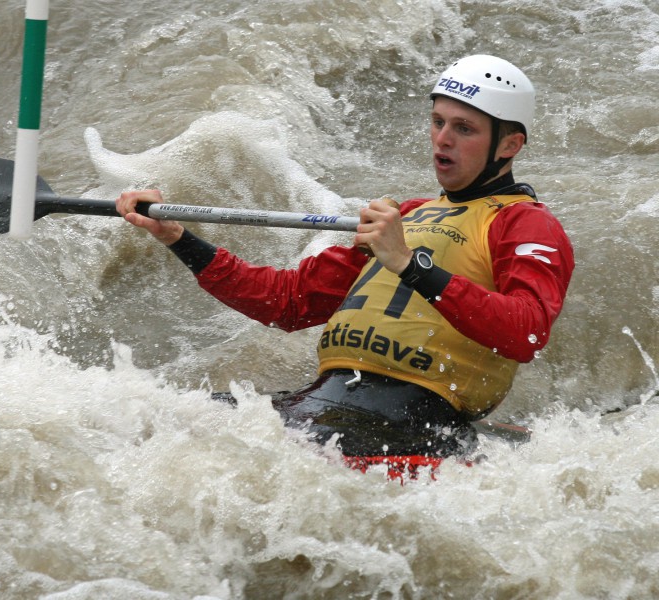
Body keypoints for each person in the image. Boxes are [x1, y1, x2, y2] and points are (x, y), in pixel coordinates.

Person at [115, 55, 575, 462]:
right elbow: (288, 302)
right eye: (437, 121)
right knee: (142, 419)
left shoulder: (526, 223)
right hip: (323, 402)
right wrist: (177, 237)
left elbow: (527, 330)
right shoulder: (407, 214)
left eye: (464, 128)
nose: (443, 140)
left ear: (509, 145)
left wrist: (409, 263)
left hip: (412, 417)